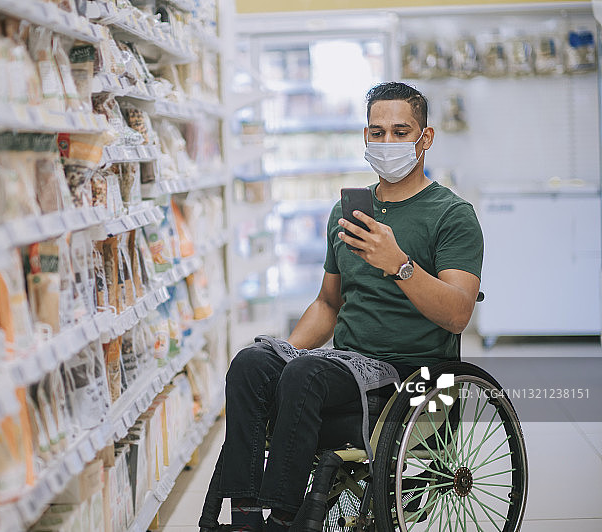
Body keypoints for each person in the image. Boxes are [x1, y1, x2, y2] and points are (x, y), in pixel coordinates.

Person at [198, 82, 484, 532]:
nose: (387, 143)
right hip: (347, 369)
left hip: (412, 379)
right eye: (377, 132)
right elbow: (328, 303)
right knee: (253, 363)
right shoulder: (347, 213)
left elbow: (458, 313)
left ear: (425, 138)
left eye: (399, 132)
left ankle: (283, 519)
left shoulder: (451, 215)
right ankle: (246, 516)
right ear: (364, 136)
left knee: (307, 374)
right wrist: (282, 355)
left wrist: (400, 265)